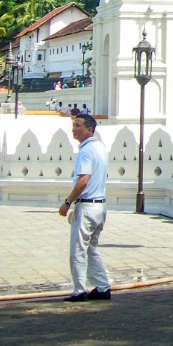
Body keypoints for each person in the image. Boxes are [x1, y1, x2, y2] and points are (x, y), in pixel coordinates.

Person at [59, 113, 111, 302]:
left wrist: (67, 202)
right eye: (74, 125)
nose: (74, 129)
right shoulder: (100, 148)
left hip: (88, 206)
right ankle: (103, 287)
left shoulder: (86, 151)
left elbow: (83, 181)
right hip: (99, 206)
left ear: (90, 129)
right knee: (91, 248)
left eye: (79, 125)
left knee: (78, 250)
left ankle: (79, 290)